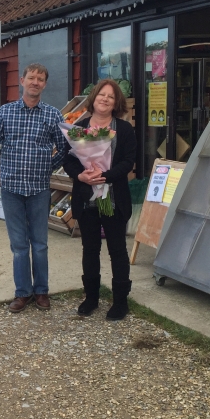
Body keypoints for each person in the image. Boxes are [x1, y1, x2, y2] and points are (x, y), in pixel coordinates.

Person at [0, 63, 69, 314]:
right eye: (31, 78)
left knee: (40, 244)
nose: (35, 82)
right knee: (19, 245)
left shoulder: (53, 115)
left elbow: (65, 148)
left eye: (40, 79)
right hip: (12, 188)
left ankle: (42, 291)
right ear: (22, 81)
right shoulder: (6, 112)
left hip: (39, 189)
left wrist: (48, 167)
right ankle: (23, 293)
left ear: (45, 84)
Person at [62, 78, 136, 321]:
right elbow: (69, 159)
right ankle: (91, 298)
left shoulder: (124, 129)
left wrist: (105, 176)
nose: (105, 99)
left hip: (111, 198)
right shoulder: (79, 127)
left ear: (116, 103)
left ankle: (120, 301)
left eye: (111, 96)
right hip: (88, 198)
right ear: (94, 98)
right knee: (90, 249)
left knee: (117, 250)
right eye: (102, 94)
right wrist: (81, 175)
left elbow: (128, 162)